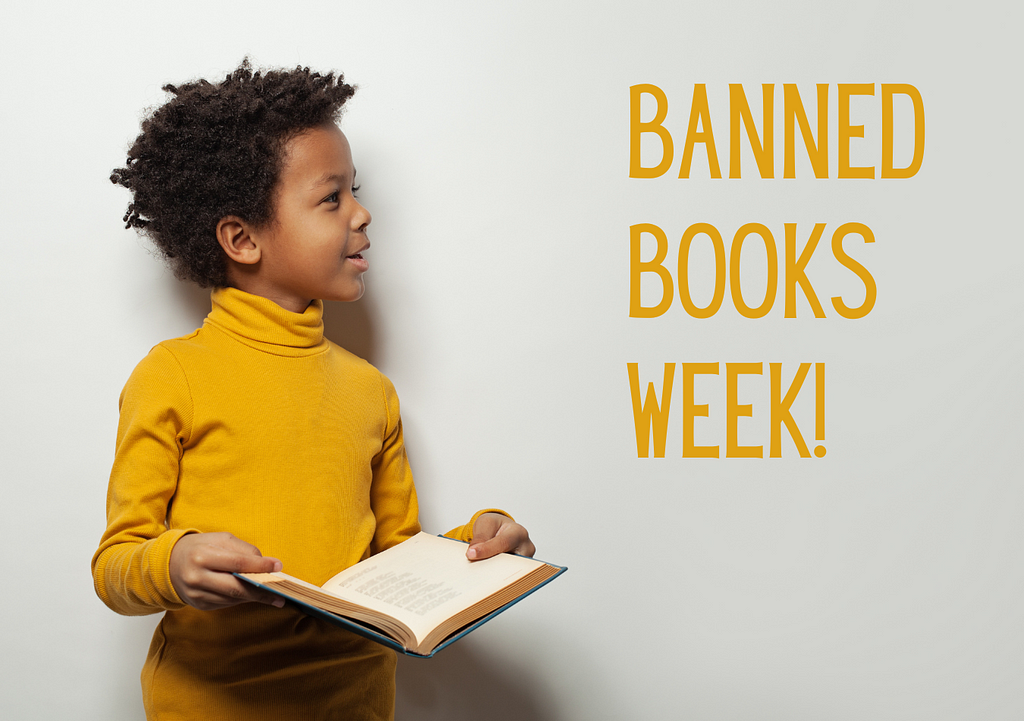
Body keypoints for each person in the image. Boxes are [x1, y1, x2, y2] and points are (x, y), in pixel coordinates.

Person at [92, 60, 535, 721]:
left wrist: (478, 545)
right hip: (212, 705)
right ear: (242, 238)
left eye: (353, 191)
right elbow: (117, 564)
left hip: (355, 701)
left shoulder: (370, 391)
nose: (362, 213)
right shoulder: (172, 375)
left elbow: (398, 560)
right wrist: (175, 558)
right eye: (332, 199)